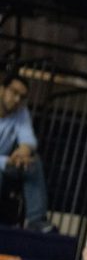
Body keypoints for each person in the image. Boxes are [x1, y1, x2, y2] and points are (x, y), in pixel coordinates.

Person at [0, 72, 48, 231]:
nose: (17, 99)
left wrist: (23, 151)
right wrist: (7, 161)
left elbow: (28, 138)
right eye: (14, 92)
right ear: (2, 89)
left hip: (6, 165)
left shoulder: (21, 112)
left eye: (22, 96)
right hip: (3, 164)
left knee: (32, 161)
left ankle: (36, 221)